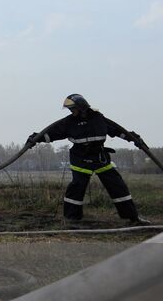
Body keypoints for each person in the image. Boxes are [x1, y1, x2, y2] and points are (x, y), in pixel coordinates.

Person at [27, 94, 149, 224]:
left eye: (73, 109)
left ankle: (132, 217)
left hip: (100, 157)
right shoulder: (69, 122)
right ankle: (71, 219)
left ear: (82, 107)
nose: (71, 112)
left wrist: (135, 139)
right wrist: (35, 138)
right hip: (80, 158)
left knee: (117, 185)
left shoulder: (98, 118)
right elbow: (52, 133)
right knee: (77, 186)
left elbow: (118, 130)